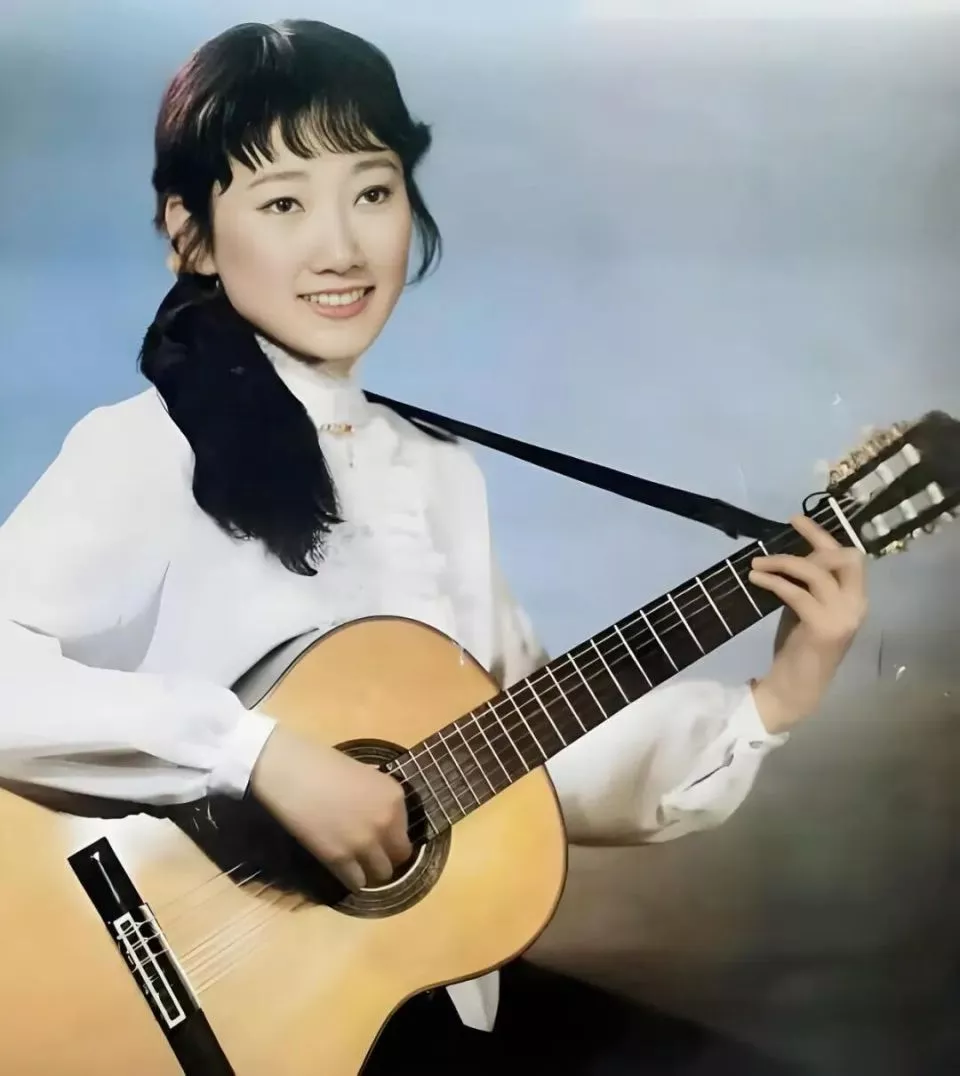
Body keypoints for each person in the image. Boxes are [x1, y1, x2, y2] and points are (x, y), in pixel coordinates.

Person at [0, 19, 867, 1074]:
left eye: (372, 191)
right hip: (190, 1010)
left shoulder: (439, 472)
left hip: (396, 1003)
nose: (343, 247)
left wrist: (775, 698)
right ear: (192, 234)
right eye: (284, 203)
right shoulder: (146, 448)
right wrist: (259, 756)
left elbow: (521, 750)